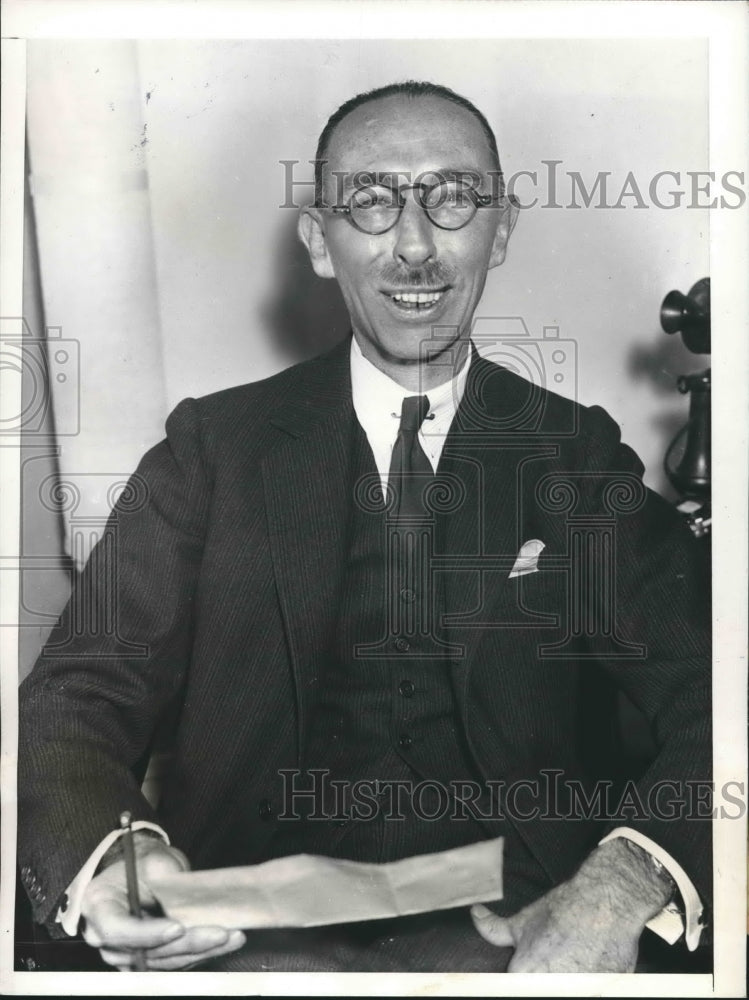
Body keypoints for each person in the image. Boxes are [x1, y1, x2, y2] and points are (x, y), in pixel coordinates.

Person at [18, 81, 711, 973]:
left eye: (452, 199)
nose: (415, 247)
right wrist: (115, 856)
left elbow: (717, 695)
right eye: (372, 203)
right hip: (243, 935)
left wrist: (618, 885)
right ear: (318, 241)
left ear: (500, 230)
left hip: (522, 934)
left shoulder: (572, 454)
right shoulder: (211, 450)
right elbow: (77, 695)